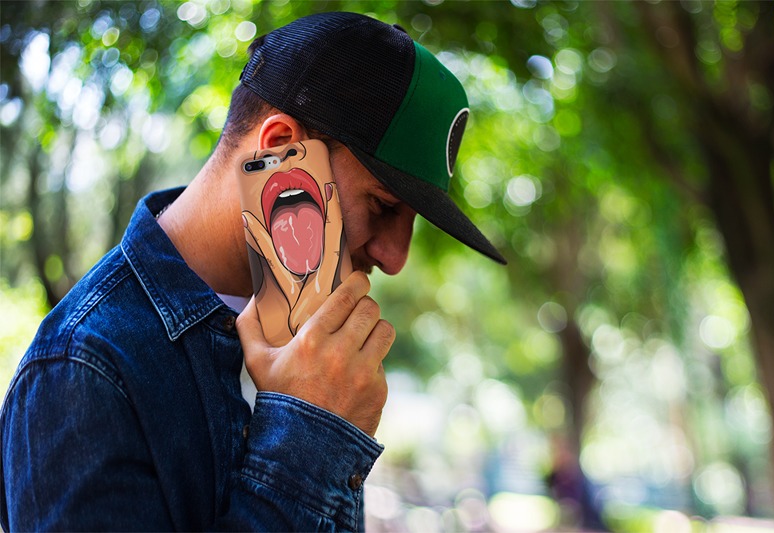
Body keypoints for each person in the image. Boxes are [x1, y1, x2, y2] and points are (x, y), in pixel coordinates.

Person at [0, 11, 506, 531]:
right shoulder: (82, 369)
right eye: (382, 205)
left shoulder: (308, 340)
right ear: (279, 148)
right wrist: (310, 432)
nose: (395, 258)